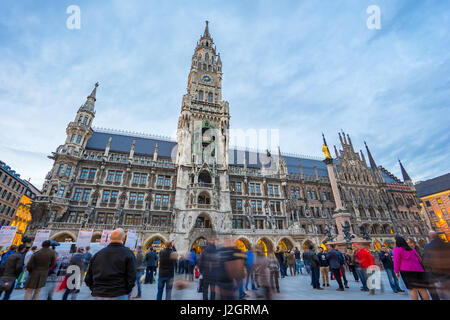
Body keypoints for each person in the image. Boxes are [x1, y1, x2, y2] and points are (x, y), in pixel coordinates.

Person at [85, 228, 136, 300]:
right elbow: (132, 277)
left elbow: (88, 278)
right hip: (118, 294)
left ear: (110, 238)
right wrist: (125, 290)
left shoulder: (97, 254)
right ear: (124, 238)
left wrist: (96, 289)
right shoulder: (128, 253)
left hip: (98, 294)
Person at [393, 236, 430, 300]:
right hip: (419, 270)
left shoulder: (397, 249)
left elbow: (396, 261)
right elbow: (420, 259)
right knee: (422, 289)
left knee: (412, 290)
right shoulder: (412, 249)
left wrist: (396, 271)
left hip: (407, 271)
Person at [423, 231, 450, 300]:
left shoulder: (427, 246)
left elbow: (426, 261)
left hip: (436, 272)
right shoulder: (446, 244)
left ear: (429, 237)